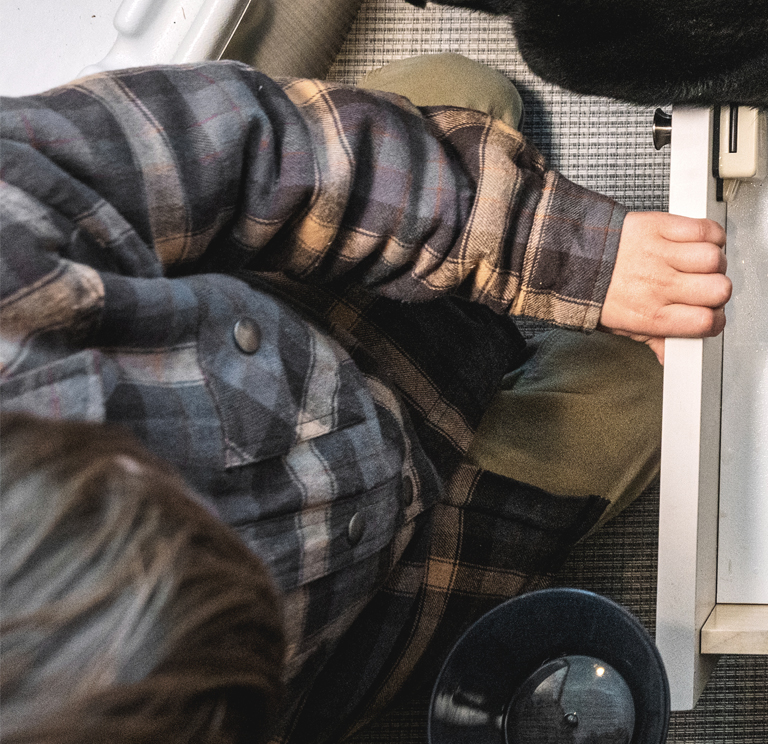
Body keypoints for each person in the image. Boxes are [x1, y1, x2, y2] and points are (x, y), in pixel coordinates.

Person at [0, 56, 730, 743]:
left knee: (463, 95)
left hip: (322, 308)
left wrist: (577, 252)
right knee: (675, 390)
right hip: (400, 586)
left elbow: (251, 147)